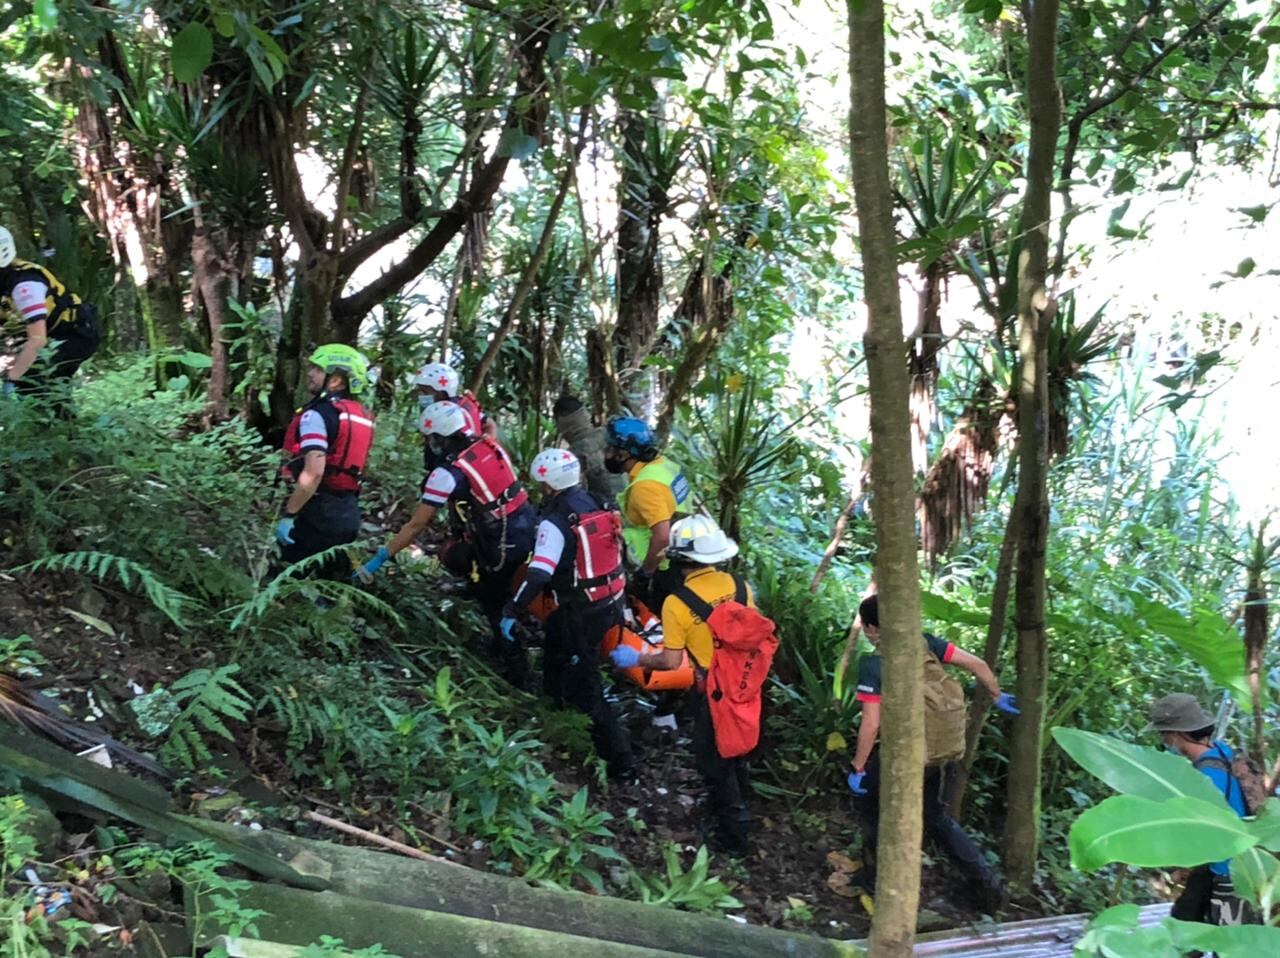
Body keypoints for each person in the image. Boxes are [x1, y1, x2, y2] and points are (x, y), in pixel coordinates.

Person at [846, 593, 1017, 912]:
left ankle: (876, 879)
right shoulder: (926, 644)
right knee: (936, 818)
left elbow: (871, 724)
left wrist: (858, 768)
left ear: (872, 629)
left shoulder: (874, 665)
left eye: (867, 628)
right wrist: (997, 695)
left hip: (903, 754)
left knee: (869, 804)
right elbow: (977, 665)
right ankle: (987, 885)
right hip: (937, 751)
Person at [609, 515, 758, 856]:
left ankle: (734, 838)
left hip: (714, 689)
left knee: (713, 760)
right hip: (747, 680)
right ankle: (738, 806)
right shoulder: (739, 585)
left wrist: (636, 659)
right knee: (738, 748)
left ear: (679, 561)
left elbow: (671, 662)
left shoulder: (677, 604)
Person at [358, 400, 534, 685]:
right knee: (497, 590)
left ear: (440, 439)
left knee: (494, 600)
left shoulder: (449, 473)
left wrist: (380, 557)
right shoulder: (489, 445)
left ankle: (517, 672)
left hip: (500, 542)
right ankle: (504, 644)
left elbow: (417, 524)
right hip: (525, 527)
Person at [502, 448, 634, 778]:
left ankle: (622, 765)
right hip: (609, 601)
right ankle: (552, 707)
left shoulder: (556, 521)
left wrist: (512, 610)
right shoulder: (598, 503)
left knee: (587, 687)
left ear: (548, 485)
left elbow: (540, 572)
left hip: (583, 610)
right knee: (555, 647)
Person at [604, 416, 692, 731]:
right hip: (685, 561)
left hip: (666, 569)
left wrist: (646, 573)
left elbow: (661, 535)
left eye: (613, 449)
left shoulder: (645, 487)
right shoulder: (665, 466)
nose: (608, 453)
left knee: (665, 636)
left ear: (627, 453)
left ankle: (666, 708)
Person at [1147, 693, 1255, 929]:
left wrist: (1183, 867)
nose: (1164, 742)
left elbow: (1206, 831)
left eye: (1164, 735)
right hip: (1240, 864)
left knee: (1229, 946)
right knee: (1185, 930)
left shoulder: (1204, 778)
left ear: (1176, 735)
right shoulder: (1224, 752)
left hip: (1228, 873)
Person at [276, 344, 375, 580]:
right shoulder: (362, 415)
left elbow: (314, 472)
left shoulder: (317, 415)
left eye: (317, 369)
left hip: (316, 514)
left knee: (281, 585)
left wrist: (289, 515)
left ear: (336, 380)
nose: (309, 373)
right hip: (348, 514)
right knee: (328, 592)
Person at [0, 226, 101, 415]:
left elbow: (37, 340)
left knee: (32, 379)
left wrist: (12, 379)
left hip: (76, 334)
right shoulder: (5, 282)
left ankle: (59, 431)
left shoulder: (26, 287)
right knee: (39, 381)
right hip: (54, 334)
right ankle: (60, 428)